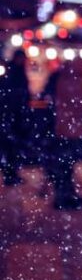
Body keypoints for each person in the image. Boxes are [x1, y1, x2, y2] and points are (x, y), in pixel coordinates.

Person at [45, 58, 82, 210]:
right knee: (66, 164)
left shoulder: (64, 80)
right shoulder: (71, 82)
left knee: (66, 165)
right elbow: (80, 102)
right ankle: (64, 197)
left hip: (67, 128)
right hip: (69, 130)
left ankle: (66, 196)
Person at [1, 49, 29, 186]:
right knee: (11, 146)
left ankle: (11, 173)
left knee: (11, 146)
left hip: (13, 115)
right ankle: (10, 174)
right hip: (13, 115)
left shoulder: (14, 72)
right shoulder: (15, 73)